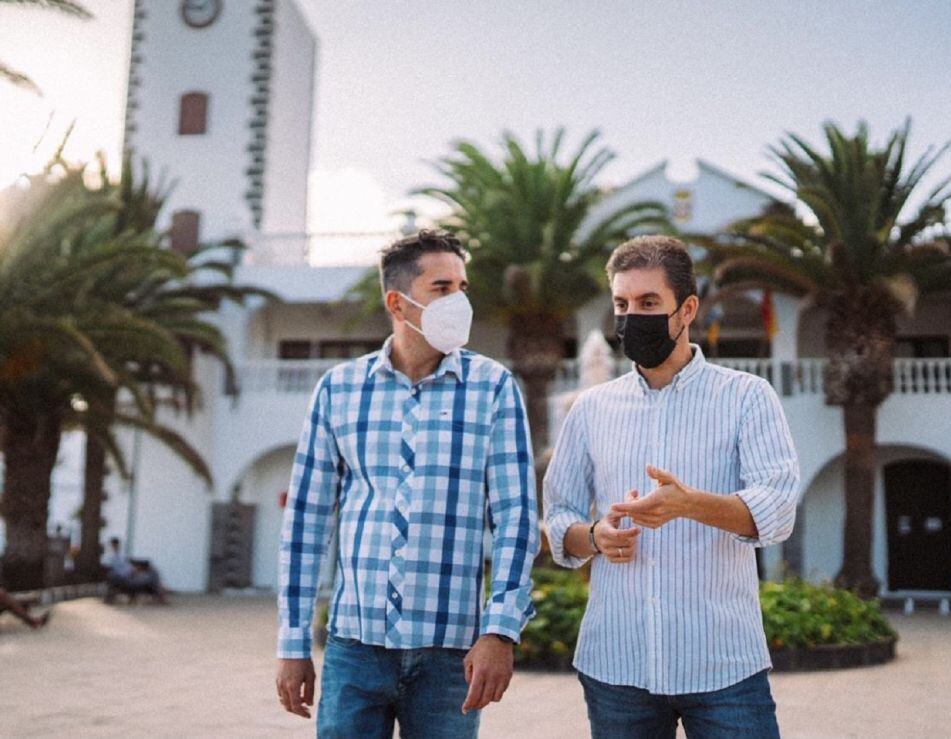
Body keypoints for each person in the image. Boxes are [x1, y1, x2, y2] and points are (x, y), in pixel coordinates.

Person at [276, 230, 539, 738]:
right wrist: (292, 644)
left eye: (462, 287)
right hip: (355, 647)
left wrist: (500, 631)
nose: (458, 300)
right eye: (442, 288)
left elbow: (516, 519)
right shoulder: (338, 390)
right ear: (398, 302)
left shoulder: (494, 388)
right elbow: (306, 523)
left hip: (450, 654)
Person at [544, 235, 800, 739]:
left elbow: (778, 508)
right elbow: (557, 519)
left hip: (724, 665)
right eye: (621, 304)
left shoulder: (747, 397)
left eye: (647, 303)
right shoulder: (591, 410)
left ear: (687, 310)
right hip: (617, 665)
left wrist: (689, 505)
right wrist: (595, 536)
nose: (630, 317)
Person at [103, 537, 167, 604]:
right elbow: (112, 570)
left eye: (118, 544)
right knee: (152, 576)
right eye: (115, 545)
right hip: (126, 578)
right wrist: (131, 571)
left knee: (152, 572)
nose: (117, 546)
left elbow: (128, 563)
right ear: (111, 545)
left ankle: (159, 594)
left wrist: (135, 568)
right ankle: (160, 595)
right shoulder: (109, 557)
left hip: (131, 574)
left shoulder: (121, 555)